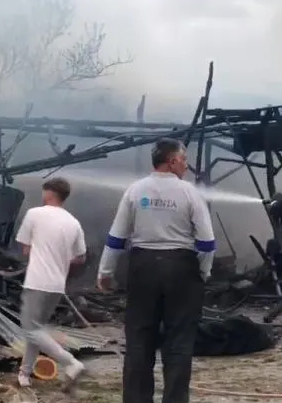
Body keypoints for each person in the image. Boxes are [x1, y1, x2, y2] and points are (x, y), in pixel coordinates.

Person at [97, 138, 216, 403]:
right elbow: (207, 243)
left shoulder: (135, 190)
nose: (186, 165)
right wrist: (202, 273)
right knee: (179, 342)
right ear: (172, 161)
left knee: (139, 339)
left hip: (142, 267)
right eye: (184, 160)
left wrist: (105, 272)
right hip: (182, 268)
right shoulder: (190, 193)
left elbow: (116, 238)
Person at [14, 177, 87, 389]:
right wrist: (61, 258)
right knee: (36, 330)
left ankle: (71, 363)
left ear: (48, 193)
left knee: (30, 329)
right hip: (56, 285)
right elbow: (80, 257)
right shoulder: (73, 222)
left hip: (37, 281)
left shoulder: (34, 214)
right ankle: (25, 374)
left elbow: (25, 249)